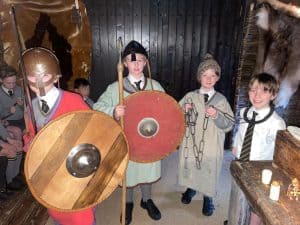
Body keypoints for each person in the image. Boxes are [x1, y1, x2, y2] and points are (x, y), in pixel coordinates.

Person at [22, 47, 95, 225]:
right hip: (50, 173)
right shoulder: (31, 107)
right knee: (57, 213)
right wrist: (30, 144)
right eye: (32, 77)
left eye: (44, 76)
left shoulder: (74, 101)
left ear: (56, 76)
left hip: (76, 171)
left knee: (80, 215)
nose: (38, 83)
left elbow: (93, 133)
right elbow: (30, 135)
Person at [93, 40, 163, 225]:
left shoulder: (155, 86)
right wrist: (114, 111)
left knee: (147, 168)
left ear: (146, 62)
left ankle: (147, 200)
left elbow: (166, 110)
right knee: (129, 171)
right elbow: (98, 107)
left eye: (141, 60)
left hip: (149, 139)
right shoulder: (116, 87)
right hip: (127, 140)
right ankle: (129, 202)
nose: (137, 65)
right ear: (125, 63)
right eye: (133, 61)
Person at [177, 53, 234, 217]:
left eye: (213, 75)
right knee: (193, 166)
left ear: (217, 78)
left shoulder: (221, 100)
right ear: (199, 77)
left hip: (211, 144)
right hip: (192, 142)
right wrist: (183, 110)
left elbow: (229, 123)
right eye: (205, 74)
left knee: (209, 169)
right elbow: (175, 117)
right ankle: (192, 188)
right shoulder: (190, 96)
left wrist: (217, 115)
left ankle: (208, 196)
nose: (209, 79)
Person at [228, 73, 286, 225]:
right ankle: (235, 219)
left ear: (273, 95)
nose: (257, 95)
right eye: (253, 90)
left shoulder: (277, 123)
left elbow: (279, 154)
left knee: (256, 203)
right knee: (237, 194)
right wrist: (235, 145)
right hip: (240, 162)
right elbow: (239, 131)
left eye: (264, 91)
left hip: (260, 169)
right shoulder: (243, 112)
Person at [0, 64, 25, 191]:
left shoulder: (19, 90)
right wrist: (8, 111)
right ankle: (10, 179)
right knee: (16, 134)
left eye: (14, 82)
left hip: (20, 120)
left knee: (19, 138)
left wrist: (21, 106)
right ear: (1, 80)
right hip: (7, 121)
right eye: (9, 83)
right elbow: (1, 115)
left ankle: (15, 175)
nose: (12, 85)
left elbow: (25, 109)